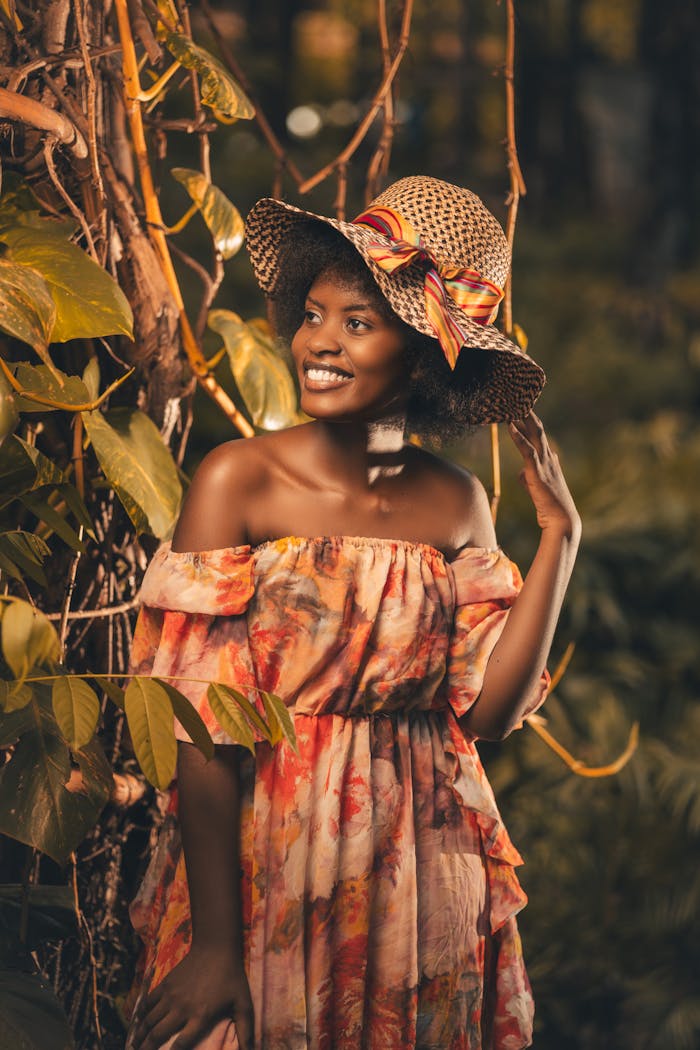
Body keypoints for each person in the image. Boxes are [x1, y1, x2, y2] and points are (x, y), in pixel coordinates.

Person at [127, 175, 581, 1050]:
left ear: (420, 355)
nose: (319, 342)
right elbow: (199, 728)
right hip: (265, 860)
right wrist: (216, 945)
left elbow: (486, 715)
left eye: (358, 323)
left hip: (420, 879)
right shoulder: (238, 479)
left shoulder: (457, 502)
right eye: (313, 315)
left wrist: (560, 537)